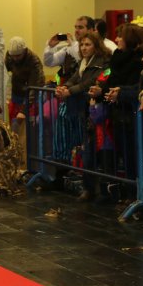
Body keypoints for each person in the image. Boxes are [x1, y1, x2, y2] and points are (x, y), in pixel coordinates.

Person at [55, 32, 111, 201]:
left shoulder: (103, 63)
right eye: (82, 45)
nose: (84, 48)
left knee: (101, 151)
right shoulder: (83, 62)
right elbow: (74, 78)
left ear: (96, 46)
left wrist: (69, 91)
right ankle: (89, 187)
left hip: (98, 110)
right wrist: (64, 87)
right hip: (83, 109)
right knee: (87, 150)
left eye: (88, 44)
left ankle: (104, 190)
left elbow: (91, 82)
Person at [4, 36, 44, 124]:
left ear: (24, 51)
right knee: (14, 124)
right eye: (13, 56)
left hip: (31, 97)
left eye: (18, 56)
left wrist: (23, 110)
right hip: (16, 94)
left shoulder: (34, 61)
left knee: (28, 127)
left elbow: (35, 87)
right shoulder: (9, 55)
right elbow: (3, 72)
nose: (15, 58)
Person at [43, 16, 93, 84]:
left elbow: (84, 62)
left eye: (80, 27)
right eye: (76, 27)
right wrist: (50, 47)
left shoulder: (95, 47)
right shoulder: (69, 48)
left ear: (90, 30)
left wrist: (72, 45)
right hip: (66, 88)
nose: (76, 30)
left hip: (85, 88)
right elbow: (49, 62)